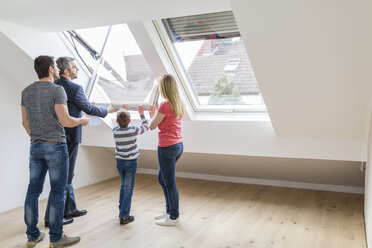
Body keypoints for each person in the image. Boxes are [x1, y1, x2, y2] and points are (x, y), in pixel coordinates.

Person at [21, 55, 88, 247]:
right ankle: (56, 238)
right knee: (58, 192)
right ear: (50, 69)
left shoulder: (27, 91)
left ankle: (32, 235)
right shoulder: (57, 90)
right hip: (56, 146)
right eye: (55, 67)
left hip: (36, 145)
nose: (58, 70)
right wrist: (82, 120)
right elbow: (66, 121)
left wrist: (36, 138)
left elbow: (24, 122)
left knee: (32, 192)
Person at [44, 57, 118, 226]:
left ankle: (69, 209)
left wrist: (80, 105)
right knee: (64, 177)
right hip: (69, 137)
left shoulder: (54, 86)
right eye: (75, 67)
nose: (77, 69)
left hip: (54, 136)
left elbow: (69, 106)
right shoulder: (74, 87)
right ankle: (51, 218)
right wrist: (109, 110)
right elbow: (89, 109)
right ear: (66, 71)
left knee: (66, 175)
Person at [149, 73, 185, 226]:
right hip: (178, 145)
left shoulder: (165, 105)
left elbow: (152, 126)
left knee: (169, 182)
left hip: (167, 147)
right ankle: (169, 211)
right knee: (162, 179)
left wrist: (152, 115)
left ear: (164, 88)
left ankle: (174, 217)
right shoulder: (179, 103)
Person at [113, 104, 151, 225]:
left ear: (116, 121)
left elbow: (120, 121)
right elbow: (146, 126)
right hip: (131, 163)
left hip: (119, 162)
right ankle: (124, 215)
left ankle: (121, 211)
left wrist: (122, 110)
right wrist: (141, 113)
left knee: (123, 187)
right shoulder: (133, 130)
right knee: (128, 189)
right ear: (129, 121)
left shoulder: (115, 131)